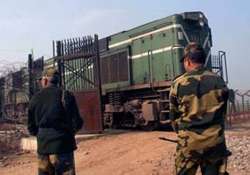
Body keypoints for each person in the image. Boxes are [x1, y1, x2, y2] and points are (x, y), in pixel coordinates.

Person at [169, 42, 231, 175]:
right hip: (215, 145)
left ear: (188, 61)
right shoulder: (219, 81)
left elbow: (174, 119)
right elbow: (222, 115)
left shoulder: (177, 84)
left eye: (184, 62)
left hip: (188, 146)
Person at [28, 67, 83, 175]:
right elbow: (78, 122)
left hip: (44, 148)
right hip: (63, 146)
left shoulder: (35, 98)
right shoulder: (67, 95)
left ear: (44, 80)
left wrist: (41, 135)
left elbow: (31, 127)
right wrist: (69, 133)